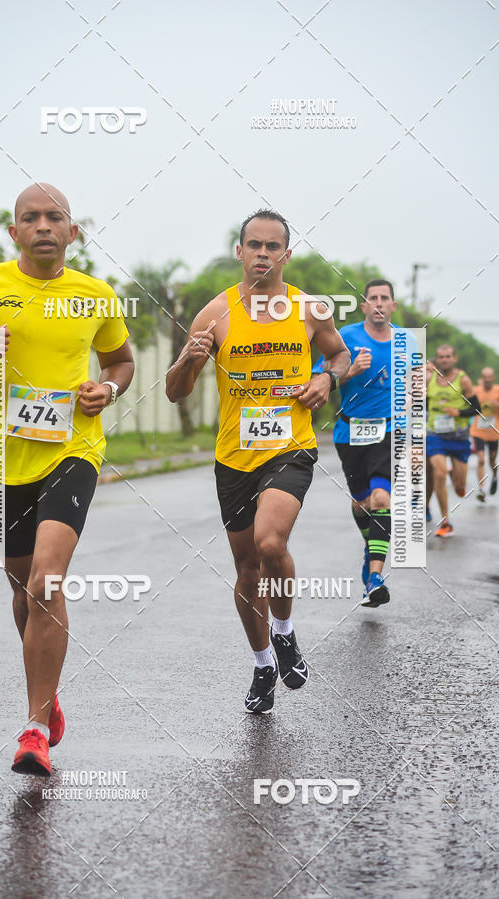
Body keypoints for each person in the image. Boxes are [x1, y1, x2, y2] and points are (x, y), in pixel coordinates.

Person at [0, 183, 134, 776]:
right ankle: (50, 691)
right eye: (30, 218)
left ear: (73, 232)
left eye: (55, 217)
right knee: (23, 594)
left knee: (45, 581)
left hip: (72, 451)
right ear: (14, 233)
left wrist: (108, 388)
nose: (43, 226)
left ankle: (34, 728)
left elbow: (121, 361)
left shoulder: (95, 295)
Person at [166, 209, 350, 714]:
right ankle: (264, 660)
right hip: (234, 458)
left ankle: (286, 631)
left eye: (273, 247)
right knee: (247, 569)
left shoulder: (310, 311)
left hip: (290, 447)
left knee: (271, 542)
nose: (263, 254)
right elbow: (175, 393)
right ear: (240, 252)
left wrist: (326, 380)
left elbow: (339, 357)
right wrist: (188, 359)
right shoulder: (215, 314)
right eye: (255, 245)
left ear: (286, 255)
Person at [316, 279, 415, 608]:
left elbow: (416, 388)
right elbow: (323, 378)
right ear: (363, 306)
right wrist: (349, 371)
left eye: (385, 298)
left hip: (389, 431)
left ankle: (374, 577)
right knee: (362, 503)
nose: (379, 303)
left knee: (381, 497)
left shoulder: (407, 339)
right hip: (350, 432)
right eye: (372, 298)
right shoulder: (346, 337)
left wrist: (421, 382)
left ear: (393, 306)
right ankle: (373, 547)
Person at [426, 345, 479, 537]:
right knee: (439, 473)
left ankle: (457, 481)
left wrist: (458, 412)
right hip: (435, 435)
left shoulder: (463, 380)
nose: (445, 360)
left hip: (458, 437)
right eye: (441, 357)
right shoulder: (429, 379)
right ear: (437, 360)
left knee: (459, 487)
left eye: (448, 357)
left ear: (454, 358)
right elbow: (421, 402)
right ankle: (445, 520)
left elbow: (476, 408)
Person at [470, 367, 499, 501]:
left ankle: (494, 477)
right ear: (482, 378)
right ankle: (481, 489)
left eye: (490, 377)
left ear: (493, 378)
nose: (487, 380)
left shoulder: (497, 390)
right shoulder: (475, 391)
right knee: (481, 459)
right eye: (485, 377)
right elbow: (468, 406)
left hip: (494, 432)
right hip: (478, 431)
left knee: (492, 460)